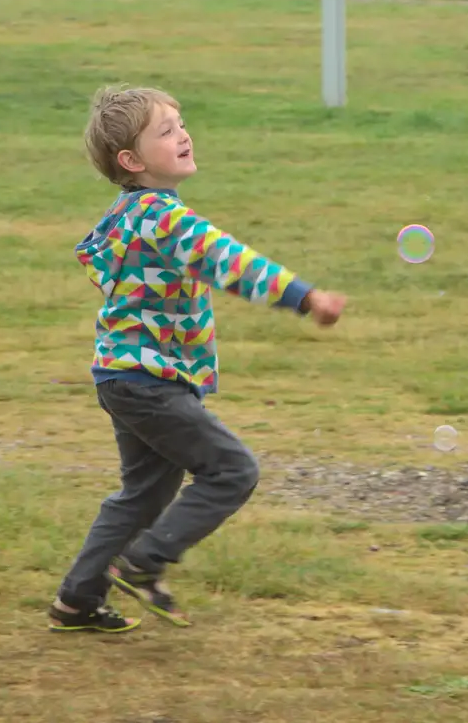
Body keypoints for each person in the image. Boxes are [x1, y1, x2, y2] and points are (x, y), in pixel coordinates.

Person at [48, 85, 346, 634]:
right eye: (165, 131)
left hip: (124, 376)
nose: (182, 134)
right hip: (149, 382)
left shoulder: (128, 214)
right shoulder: (165, 219)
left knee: (144, 494)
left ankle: (78, 600)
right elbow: (228, 260)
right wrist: (303, 296)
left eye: (180, 123)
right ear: (132, 162)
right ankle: (143, 563)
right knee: (232, 471)